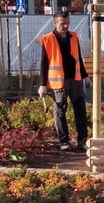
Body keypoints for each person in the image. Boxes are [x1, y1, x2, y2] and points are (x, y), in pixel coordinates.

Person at [38, 9, 89, 151]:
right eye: (62, 23)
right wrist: (42, 85)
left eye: (67, 23)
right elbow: (44, 63)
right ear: (55, 23)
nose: (66, 26)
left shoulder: (73, 36)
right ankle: (64, 141)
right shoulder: (48, 39)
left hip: (75, 79)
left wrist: (85, 75)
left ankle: (82, 140)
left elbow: (79, 56)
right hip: (58, 82)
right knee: (60, 111)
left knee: (80, 110)